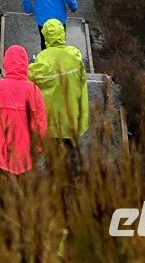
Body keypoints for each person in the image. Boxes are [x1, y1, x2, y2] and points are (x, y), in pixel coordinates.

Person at [28, 17, 89, 173]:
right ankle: (73, 182)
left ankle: (55, 185)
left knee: (53, 158)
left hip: (52, 121)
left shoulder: (44, 58)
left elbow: (31, 76)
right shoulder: (75, 56)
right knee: (72, 153)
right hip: (72, 117)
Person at [0, 44, 48, 174]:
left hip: (1, 152)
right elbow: (41, 123)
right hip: (26, 154)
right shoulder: (33, 90)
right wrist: (38, 146)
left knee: (3, 190)